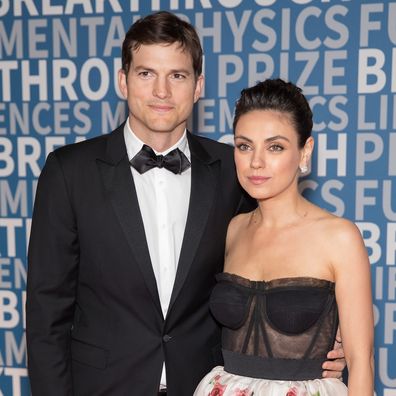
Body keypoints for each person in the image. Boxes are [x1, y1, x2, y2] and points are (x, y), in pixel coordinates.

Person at [26, 12, 346, 396]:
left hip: (204, 386)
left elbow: (282, 257)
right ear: (122, 82)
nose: (162, 91)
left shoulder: (235, 168)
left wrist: (329, 339)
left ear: (198, 86)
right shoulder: (69, 171)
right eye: (146, 74)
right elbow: (47, 314)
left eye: (177, 75)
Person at [194, 79, 374, 396]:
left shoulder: (339, 237)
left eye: (275, 146)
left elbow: (361, 362)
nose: (256, 162)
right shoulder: (234, 228)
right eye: (244, 145)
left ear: (305, 151)